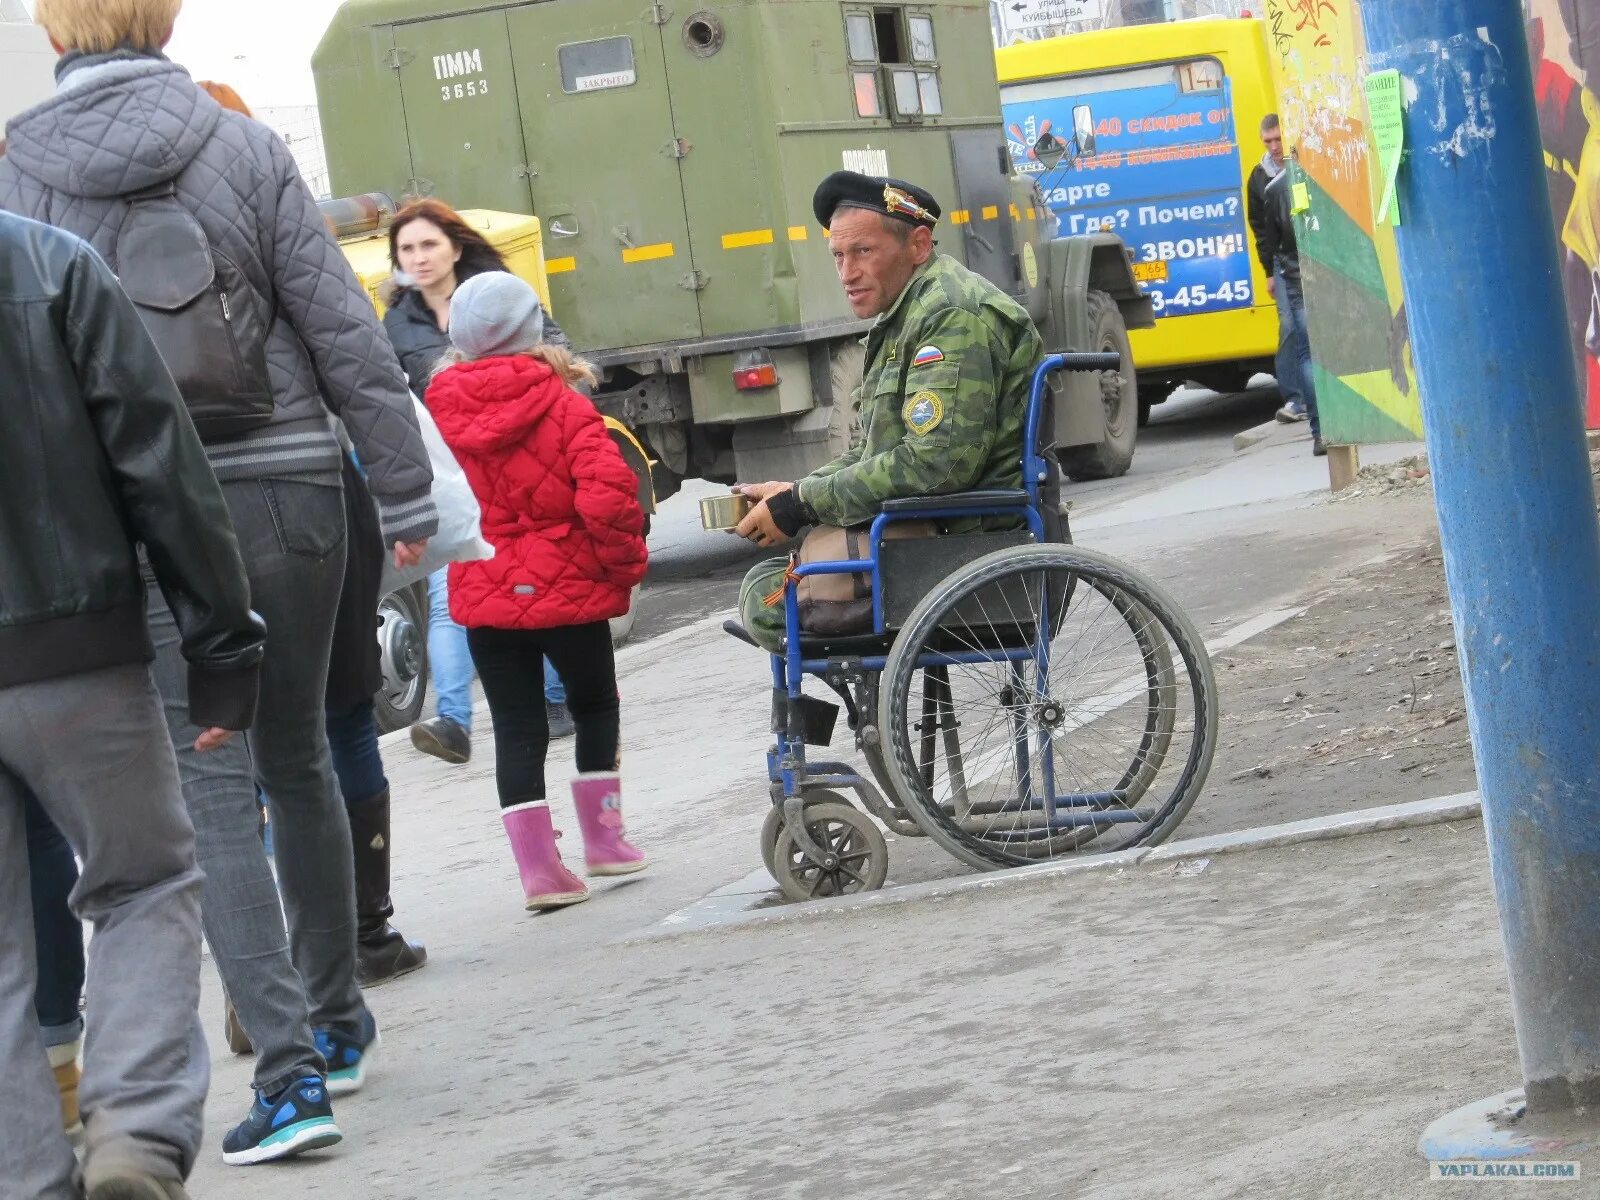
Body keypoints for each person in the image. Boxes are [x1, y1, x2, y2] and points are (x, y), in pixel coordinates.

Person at [0, 0, 437, 1163]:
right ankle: (337, 1020)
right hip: (296, 484)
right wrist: (403, 494)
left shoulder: (20, 173)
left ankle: (289, 1081)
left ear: (56, 28)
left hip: (154, 510)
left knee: (210, 781)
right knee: (299, 751)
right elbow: (339, 324)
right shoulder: (241, 144)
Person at [0, 208, 265, 1200]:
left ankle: (25, 1180)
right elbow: (161, 462)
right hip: (71, 649)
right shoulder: (48, 263)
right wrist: (223, 643)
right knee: (143, 883)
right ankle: (137, 1138)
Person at [734, 171, 1043, 649]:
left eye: (864, 252)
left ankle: (861, 723)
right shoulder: (908, 313)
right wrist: (795, 493)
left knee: (769, 601)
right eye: (838, 255)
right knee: (769, 580)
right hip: (930, 534)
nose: (847, 273)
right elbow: (871, 451)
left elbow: (936, 465)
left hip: (965, 544)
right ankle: (863, 721)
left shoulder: (950, 315)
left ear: (918, 245)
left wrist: (803, 505)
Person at [426, 271, 650, 910]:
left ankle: (539, 874)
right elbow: (609, 500)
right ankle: (605, 843)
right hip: (568, 588)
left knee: (516, 725)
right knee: (594, 704)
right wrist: (623, 569)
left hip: (486, 589)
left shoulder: (438, 412)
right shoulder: (567, 404)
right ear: (534, 331)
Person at [383, 199, 576, 763]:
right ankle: (453, 721)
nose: (418, 258)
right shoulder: (396, 325)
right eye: (406, 249)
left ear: (455, 247)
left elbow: (560, 355)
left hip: (520, 462)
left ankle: (557, 697)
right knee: (448, 599)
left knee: (529, 580)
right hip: (447, 470)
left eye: (428, 245)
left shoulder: (501, 293)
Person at [1260, 162, 1324, 457]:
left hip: (1297, 280)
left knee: (1308, 355)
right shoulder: (1325, 175)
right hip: (1331, 275)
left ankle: (1320, 433)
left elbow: (1272, 244)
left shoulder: (1273, 190)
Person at [1246, 113, 1305, 425]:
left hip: (1312, 257)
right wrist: (1268, 270)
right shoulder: (1258, 178)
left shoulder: (1302, 164)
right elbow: (1259, 229)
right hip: (1283, 263)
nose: (1272, 146)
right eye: (1267, 141)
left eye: (1277, 139)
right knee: (1290, 325)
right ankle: (1295, 399)